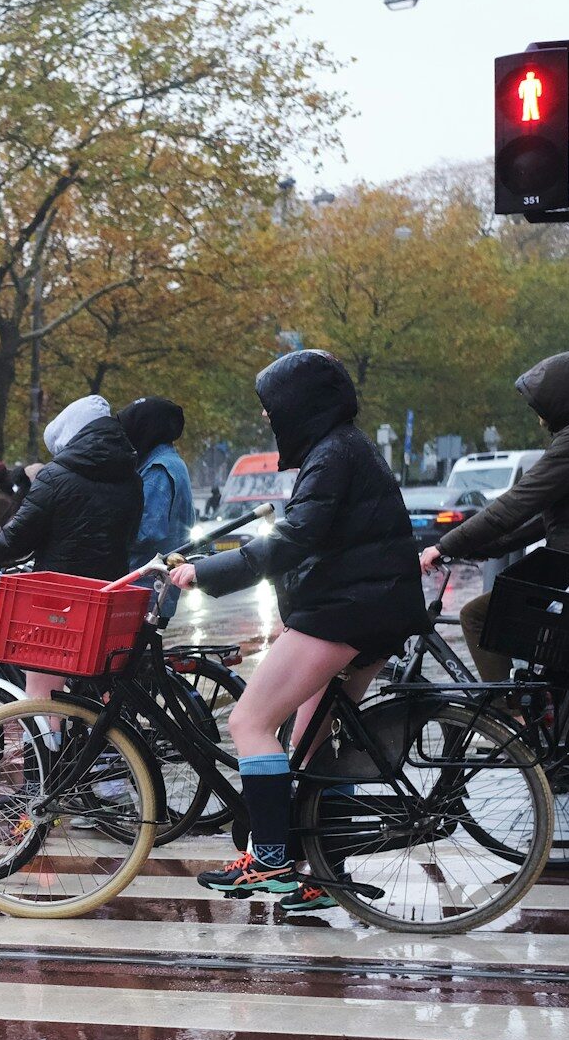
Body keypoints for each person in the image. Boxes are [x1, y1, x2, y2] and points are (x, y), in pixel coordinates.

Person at [171, 351, 428, 914]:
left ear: (301, 406)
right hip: (375, 608)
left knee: (249, 721)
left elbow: (295, 540)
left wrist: (207, 571)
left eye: (272, 408)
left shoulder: (332, 454)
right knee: (310, 745)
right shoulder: (343, 448)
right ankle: (324, 871)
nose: (268, 419)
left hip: (347, 612)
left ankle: (269, 859)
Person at [421, 351, 569, 682]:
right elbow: (540, 520)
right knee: (557, 669)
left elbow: (518, 503)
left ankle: (511, 720)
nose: (539, 419)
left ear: (563, 401)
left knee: (477, 616)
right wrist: (473, 548)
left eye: (542, 409)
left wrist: (443, 546)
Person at [0, 396, 142, 697]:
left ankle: (45, 741)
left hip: (58, 602)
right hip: (108, 593)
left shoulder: (56, 477)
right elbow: (130, 533)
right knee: (104, 682)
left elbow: (14, 540)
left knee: (41, 688)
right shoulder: (131, 478)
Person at [118, 396, 194, 615]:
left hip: (145, 588)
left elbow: (147, 532)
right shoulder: (169, 462)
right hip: (153, 586)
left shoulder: (157, 470)